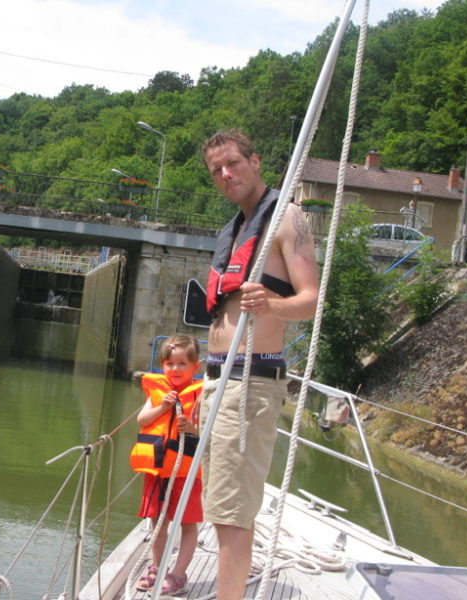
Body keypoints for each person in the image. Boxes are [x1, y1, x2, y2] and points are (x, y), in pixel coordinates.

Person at [199, 129, 319, 600]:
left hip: (250, 383)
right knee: (220, 505)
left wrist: (272, 304)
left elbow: (310, 300)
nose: (226, 174)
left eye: (232, 163)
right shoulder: (232, 230)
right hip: (217, 382)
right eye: (216, 170)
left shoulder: (289, 219)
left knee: (231, 514)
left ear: (255, 160)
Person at [129, 333, 204, 596]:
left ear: (196, 367)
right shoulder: (158, 393)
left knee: (187, 523)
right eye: (170, 364)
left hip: (186, 472)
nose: (175, 369)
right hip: (158, 470)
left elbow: (208, 431)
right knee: (157, 522)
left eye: (182, 364)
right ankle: (157, 566)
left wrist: (192, 427)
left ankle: (178, 573)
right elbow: (142, 419)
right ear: (163, 366)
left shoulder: (200, 397)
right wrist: (162, 408)